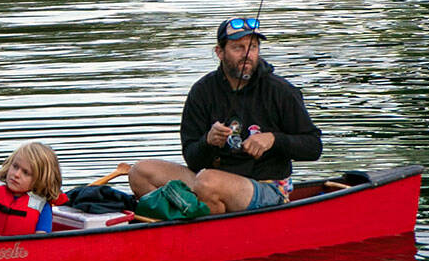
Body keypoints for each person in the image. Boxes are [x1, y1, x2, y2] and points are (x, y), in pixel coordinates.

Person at [128, 17, 322, 216]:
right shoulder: (202, 91)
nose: (247, 54)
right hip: (208, 181)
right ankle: (190, 214)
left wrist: (274, 139)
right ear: (219, 52)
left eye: (253, 47)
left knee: (207, 182)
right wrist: (208, 142)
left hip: (266, 188)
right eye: (238, 48)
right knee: (140, 172)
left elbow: (313, 147)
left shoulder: (280, 91)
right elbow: (192, 158)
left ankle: (193, 218)